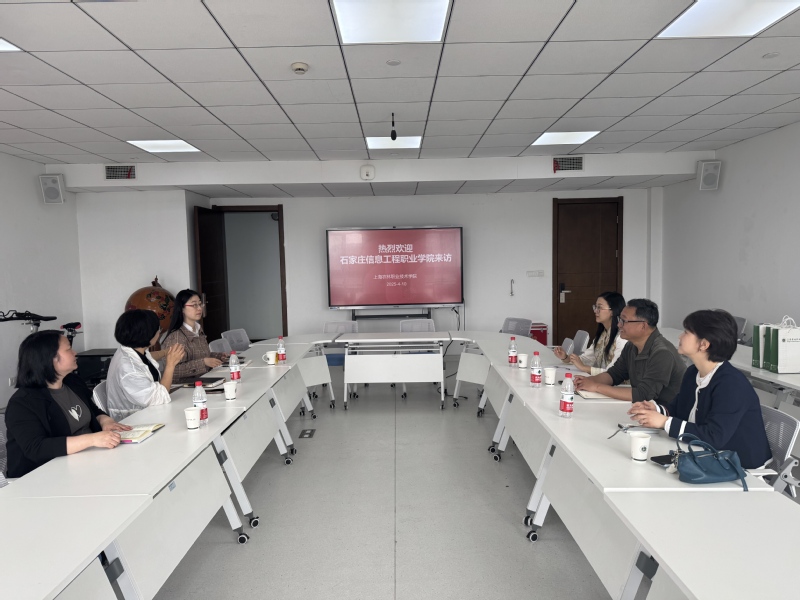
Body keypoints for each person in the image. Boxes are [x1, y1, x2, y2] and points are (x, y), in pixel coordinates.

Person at [628, 309, 771, 469]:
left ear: (704, 344)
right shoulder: (693, 372)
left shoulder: (731, 384)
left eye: (686, 332)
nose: (680, 336)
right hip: (705, 454)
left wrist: (664, 422)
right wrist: (656, 410)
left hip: (738, 465)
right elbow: (678, 409)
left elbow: (715, 437)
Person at [4, 330, 131, 478]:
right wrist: (92, 439)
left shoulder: (72, 382)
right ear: (51, 358)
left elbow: (93, 410)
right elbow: (37, 448)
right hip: (44, 477)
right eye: (69, 349)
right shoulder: (22, 403)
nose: (75, 352)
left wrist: (105, 420)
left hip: (86, 462)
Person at [575, 298, 685, 403]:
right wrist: (590, 381)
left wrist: (597, 387)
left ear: (642, 326)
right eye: (620, 319)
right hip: (643, 407)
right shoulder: (631, 346)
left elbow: (643, 394)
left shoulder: (662, 353)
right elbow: (614, 374)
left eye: (624, 321)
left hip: (664, 412)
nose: (619, 324)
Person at [105, 309, 186, 421]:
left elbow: (147, 358)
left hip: (150, 412)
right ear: (148, 334)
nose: (159, 332)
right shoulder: (129, 369)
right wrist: (170, 364)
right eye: (158, 329)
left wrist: (166, 352)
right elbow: (159, 398)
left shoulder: (131, 350)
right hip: (134, 420)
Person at [161, 289, 228, 384]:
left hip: (203, 381)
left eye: (200, 304)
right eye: (194, 305)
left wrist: (218, 356)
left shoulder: (198, 330)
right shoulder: (176, 337)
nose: (199, 308)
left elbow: (200, 356)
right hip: (183, 387)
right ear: (182, 308)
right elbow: (175, 370)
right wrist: (203, 363)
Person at [554, 291, 627, 375]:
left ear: (613, 311)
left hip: (615, 382)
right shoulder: (603, 334)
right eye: (595, 307)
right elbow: (587, 359)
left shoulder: (622, 338)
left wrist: (584, 368)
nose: (595, 311)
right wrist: (566, 358)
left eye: (599, 307)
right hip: (602, 380)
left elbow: (614, 372)